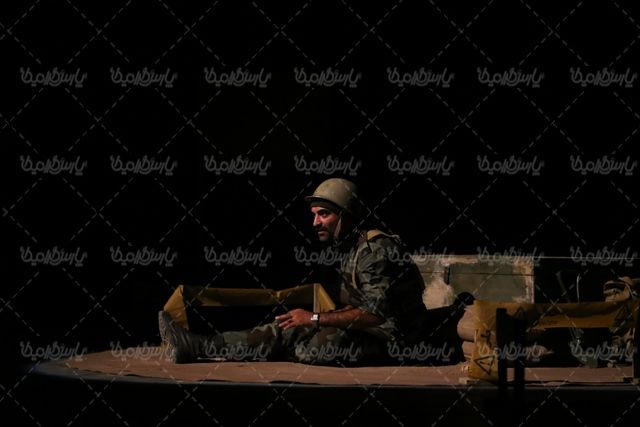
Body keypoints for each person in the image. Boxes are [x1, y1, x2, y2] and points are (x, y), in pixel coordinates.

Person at [159, 177, 432, 365]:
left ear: (347, 214)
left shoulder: (376, 250)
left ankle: (287, 348)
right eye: (314, 215)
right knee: (287, 328)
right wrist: (311, 321)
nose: (315, 222)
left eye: (324, 214)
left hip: (395, 339)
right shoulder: (349, 247)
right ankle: (197, 345)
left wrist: (314, 318)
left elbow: (375, 314)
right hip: (370, 330)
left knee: (318, 345)